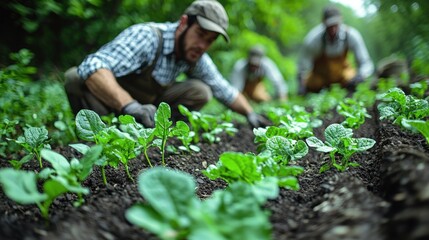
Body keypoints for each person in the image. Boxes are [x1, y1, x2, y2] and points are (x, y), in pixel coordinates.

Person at [64, 0, 269, 129]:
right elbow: (93, 64)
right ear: (183, 23)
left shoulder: (195, 56)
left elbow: (223, 89)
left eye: (210, 40)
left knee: (201, 90)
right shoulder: (148, 37)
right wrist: (129, 106)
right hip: (112, 104)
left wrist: (250, 113)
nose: (202, 45)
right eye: (200, 34)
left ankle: (157, 131)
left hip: (147, 109)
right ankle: (101, 133)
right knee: (75, 77)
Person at [297, 5, 374, 94]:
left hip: (342, 77)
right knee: (311, 83)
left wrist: (361, 76)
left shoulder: (351, 35)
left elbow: (365, 62)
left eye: (335, 25)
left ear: (341, 20)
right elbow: (303, 67)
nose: (333, 29)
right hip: (320, 79)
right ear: (323, 23)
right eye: (329, 26)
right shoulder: (313, 40)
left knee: (351, 77)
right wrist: (302, 85)